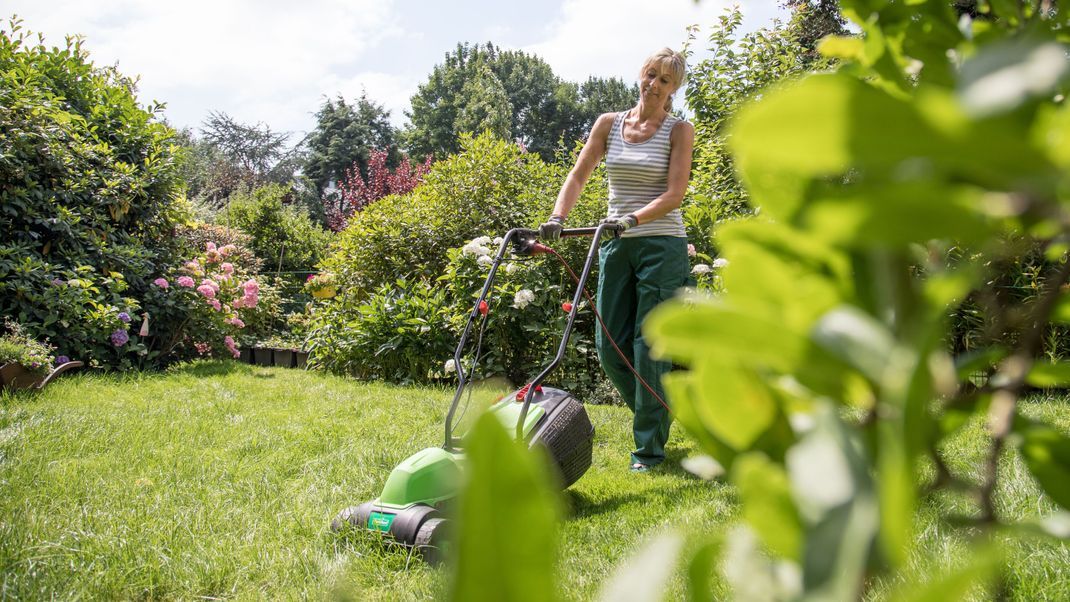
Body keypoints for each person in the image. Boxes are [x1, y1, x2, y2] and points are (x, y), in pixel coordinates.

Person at [539, 47, 694, 472]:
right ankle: (658, 410)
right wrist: (557, 216)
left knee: (648, 349)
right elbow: (579, 173)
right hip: (614, 243)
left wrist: (633, 218)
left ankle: (648, 450)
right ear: (639, 75)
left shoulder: (680, 130)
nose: (654, 84)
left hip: (661, 244)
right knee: (610, 348)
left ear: (673, 89)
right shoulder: (609, 124)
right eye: (650, 74)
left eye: (665, 80)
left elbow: (675, 194)